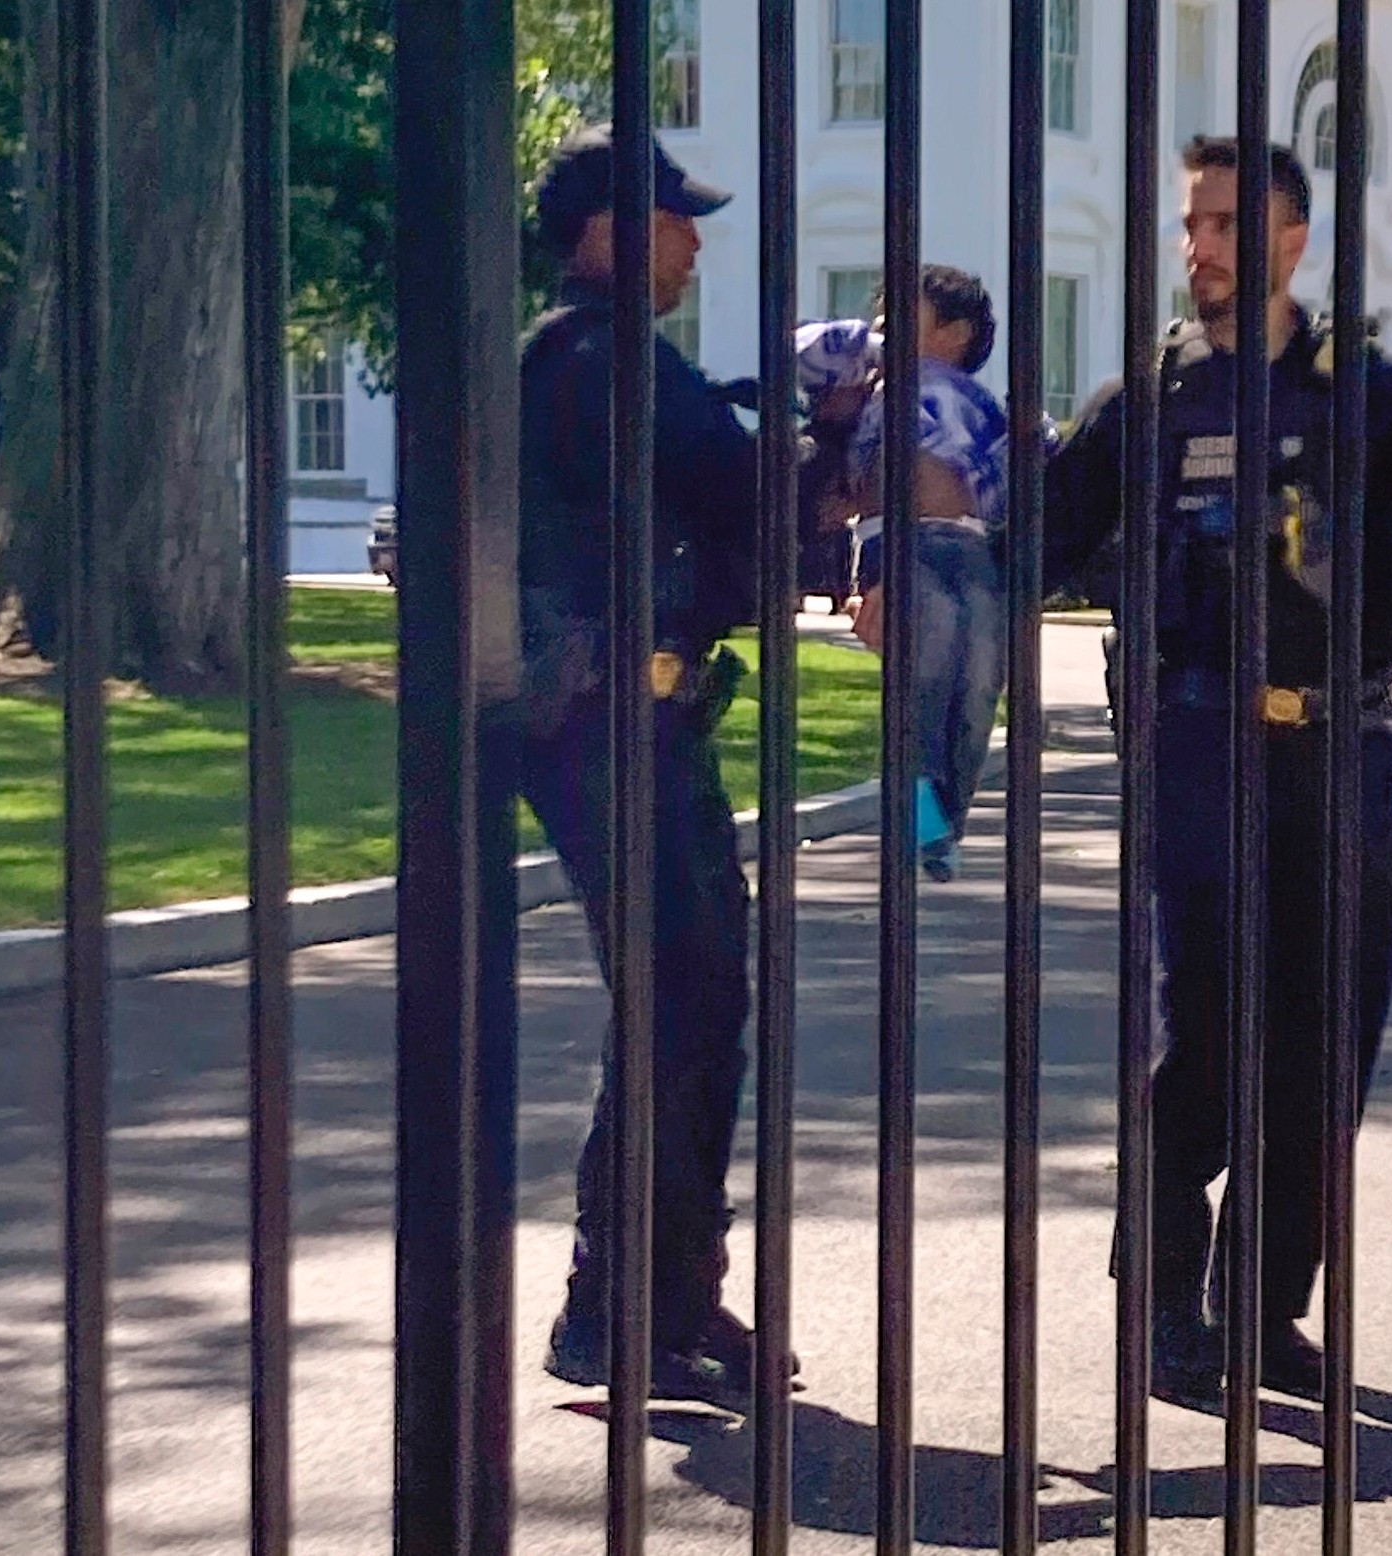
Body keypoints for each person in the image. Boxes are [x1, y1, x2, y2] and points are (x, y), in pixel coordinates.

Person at [1038, 137, 1392, 1401]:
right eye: (1191, 223)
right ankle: (1165, 1298)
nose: (1201, 247)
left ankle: (1262, 1310)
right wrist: (924, 587)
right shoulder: (1149, 400)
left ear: (1290, 236)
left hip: (1340, 745)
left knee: (1326, 1039)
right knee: (1209, 1032)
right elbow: (1042, 537)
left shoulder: (1371, 396)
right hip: (1193, 742)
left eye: (1226, 222)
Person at [509, 124, 775, 1409]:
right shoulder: (599, 359)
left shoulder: (597, 362)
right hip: (606, 721)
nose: (695, 240)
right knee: (680, 996)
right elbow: (742, 498)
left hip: (643, 717)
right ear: (613, 230)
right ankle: (610, 1304)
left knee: (699, 994)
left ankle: (662, 1292)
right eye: (678, 217)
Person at [798, 264, 1048, 881]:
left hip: (971, 551)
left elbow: (1024, 465)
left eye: (905, 313)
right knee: (925, 685)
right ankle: (917, 830)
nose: (886, 323)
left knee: (978, 688)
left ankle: (943, 830)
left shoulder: (979, 400)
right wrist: (871, 346)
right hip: (902, 545)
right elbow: (801, 353)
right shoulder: (872, 379)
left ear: (955, 334)